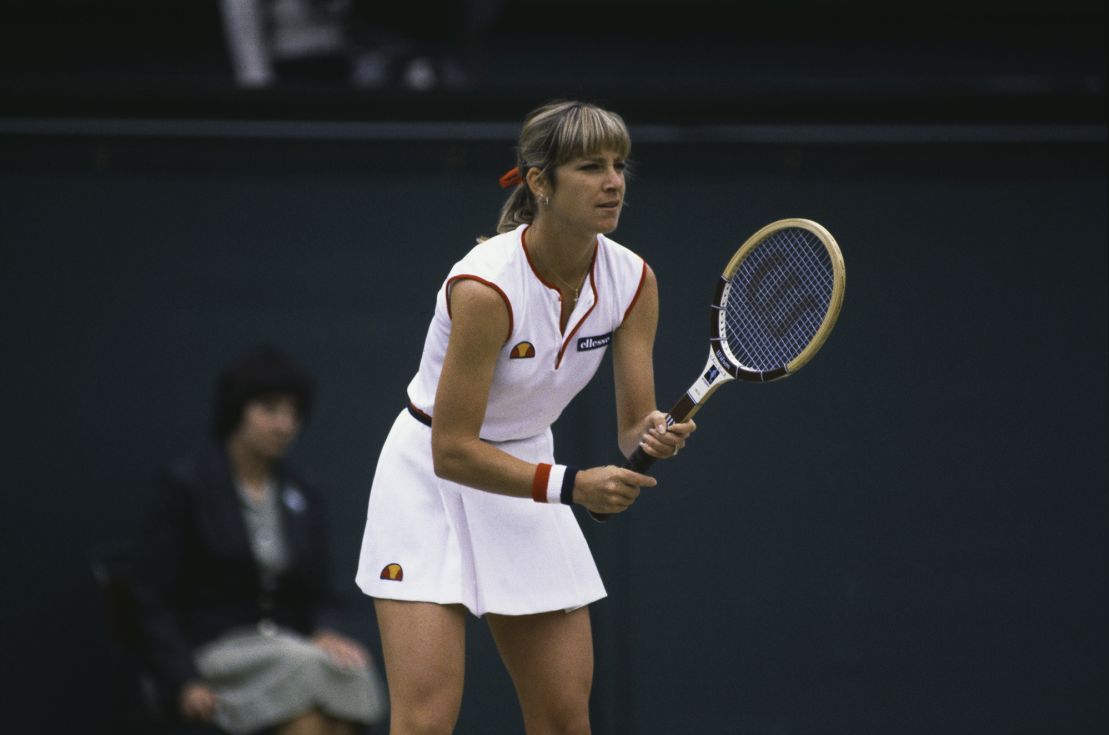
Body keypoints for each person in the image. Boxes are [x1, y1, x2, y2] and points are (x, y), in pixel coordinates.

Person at [355, 100, 696, 734]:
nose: (613, 181)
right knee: (425, 722)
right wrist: (572, 486)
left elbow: (631, 428)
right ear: (540, 182)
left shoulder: (635, 282)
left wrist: (655, 433)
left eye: (619, 165)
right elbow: (452, 451)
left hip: (526, 474)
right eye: (591, 167)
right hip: (427, 478)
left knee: (565, 720)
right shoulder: (486, 289)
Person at [130, 345, 387, 735]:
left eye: (293, 413)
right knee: (307, 668)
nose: (284, 424)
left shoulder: (303, 491)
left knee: (330, 694)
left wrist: (326, 631)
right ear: (237, 411)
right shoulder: (187, 487)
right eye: (269, 409)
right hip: (212, 654)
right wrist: (182, 679)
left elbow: (320, 589)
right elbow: (152, 599)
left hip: (289, 651)